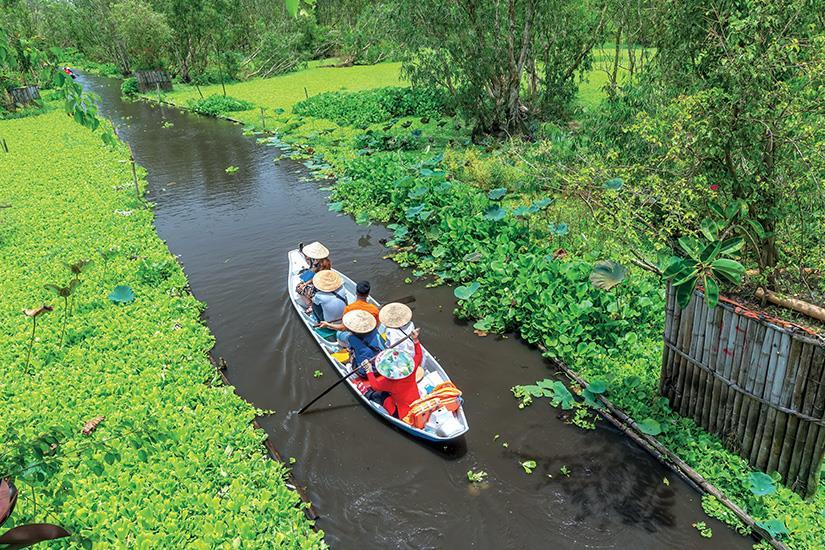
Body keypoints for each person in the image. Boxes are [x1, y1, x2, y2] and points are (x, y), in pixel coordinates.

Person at [317, 280, 379, 344]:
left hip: (355, 337)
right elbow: (376, 327)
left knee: (339, 333)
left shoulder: (349, 309)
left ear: (356, 292)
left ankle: (347, 345)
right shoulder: (375, 310)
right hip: (368, 336)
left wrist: (327, 324)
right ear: (368, 294)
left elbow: (343, 327)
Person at [366, 349, 421, 419]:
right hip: (417, 405)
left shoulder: (389, 383)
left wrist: (369, 370)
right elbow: (418, 355)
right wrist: (416, 341)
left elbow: (375, 386)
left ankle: (367, 396)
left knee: (380, 394)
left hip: (401, 414)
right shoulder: (411, 371)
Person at [341, 309, 385, 377]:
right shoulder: (374, 331)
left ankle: (351, 366)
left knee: (350, 355)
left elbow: (350, 349)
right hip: (381, 366)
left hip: (367, 372)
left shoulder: (351, 338)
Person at [379, 302, 422, 367]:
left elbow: (394, 347)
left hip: (400, 358)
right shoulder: (410, 323)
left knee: (380, 338)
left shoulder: (390, 330)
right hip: (411, 352)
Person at [296, 241, 330, 309]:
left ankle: (310, 305)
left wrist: (305, 284)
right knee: (305, 278)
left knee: (298, 288)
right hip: (321, 279)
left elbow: (317, 278)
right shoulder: (324, 260)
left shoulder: (322, 265)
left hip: (320, 285)